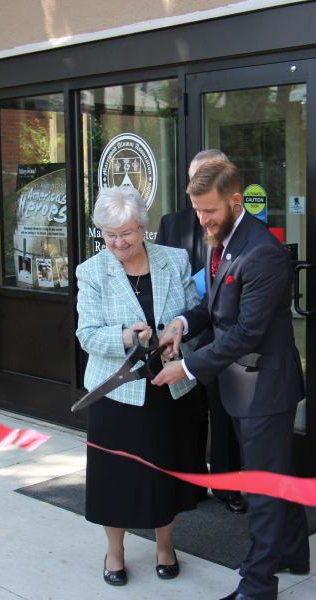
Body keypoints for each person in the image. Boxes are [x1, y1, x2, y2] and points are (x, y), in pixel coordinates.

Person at [152, 159, 310, 600]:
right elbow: (215, 307)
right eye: (197, 210)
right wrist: (182, 323)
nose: (201, 219)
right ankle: (293, 552)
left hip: (266, 388)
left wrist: (186, 366)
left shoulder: (263, 251)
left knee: (263, 489)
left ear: (236, 200)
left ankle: (258, 586)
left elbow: (246, 332)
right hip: (240, 386)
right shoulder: (218, 239)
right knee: (277, 477)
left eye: (209, 210)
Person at [75, 185, 200, 587]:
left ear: (143, 228)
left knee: (166, 472)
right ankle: (116, 551)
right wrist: (126, 336)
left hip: (167, 387)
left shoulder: (173, 260)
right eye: (110, 235)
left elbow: (194, 317)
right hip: (116, 392)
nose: (118, 242)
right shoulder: (91, 271)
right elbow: (87, 335)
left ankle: (165, 545)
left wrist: (176, 338)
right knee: (116, 477)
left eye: (126, 233)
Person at [157, 148, 246, 515]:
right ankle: (190, 482)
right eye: (196, 177)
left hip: (224, 333)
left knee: (222, 413)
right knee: (188, 411)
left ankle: (227, 486)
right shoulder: (172, 222)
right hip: (184, 329)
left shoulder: (240, 226)